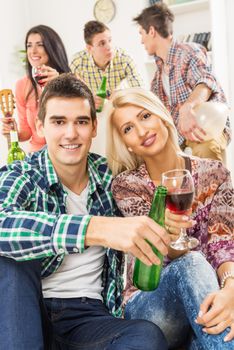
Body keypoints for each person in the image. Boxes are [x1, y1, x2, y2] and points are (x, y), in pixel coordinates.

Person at [0, 74, 169, 350]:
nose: (70, 133)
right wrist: (95, 229)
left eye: (80, 122)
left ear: (93, 127)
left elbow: (155, 169)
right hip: (24, 308)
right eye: (58, 122)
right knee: (8, 253)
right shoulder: (23, 174)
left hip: (87, 318)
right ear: (41, 127)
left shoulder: (111, 177)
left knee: (146, 337)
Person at [105, 86, 234, 349]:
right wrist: (169, 231)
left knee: (206, 335)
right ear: (125, 143)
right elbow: (159, 252)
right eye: (128, 129)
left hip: (205, 303)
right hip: (151, 306)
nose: (141, 131)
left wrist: (231, 289)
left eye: (144, 117)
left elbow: (224, 244)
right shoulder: (127, 186)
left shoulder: (215, 173)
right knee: (191, 262)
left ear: (160, 115)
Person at [133, 2, 231, 162]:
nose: (141, 41)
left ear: (151, 31)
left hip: (206, 129)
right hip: (180, 137)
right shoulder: (157, 79)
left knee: (204, 150)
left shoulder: (189, 51)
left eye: (141, 33)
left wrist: (188, 107)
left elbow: (205, 81)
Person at [70, 20, 143, 155]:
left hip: (118, 111)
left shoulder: (124, 59)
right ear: (89, 48)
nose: (109, 46)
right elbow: (72, 95)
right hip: (94, 116)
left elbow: (140, 91)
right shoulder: (77, 63)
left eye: (109, 40)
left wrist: (121, 94)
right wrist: (88, 98)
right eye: (102, 43)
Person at [1, 24, 71, 153]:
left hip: (65, 150)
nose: (33, 51)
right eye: (29, 45)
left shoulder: (70, 81)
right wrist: (12, 132)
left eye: (40, 45)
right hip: (36, 155)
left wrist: (60, 83)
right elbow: (26, 133)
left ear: (52, 48)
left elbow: (78, 120)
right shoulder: (22, 85)